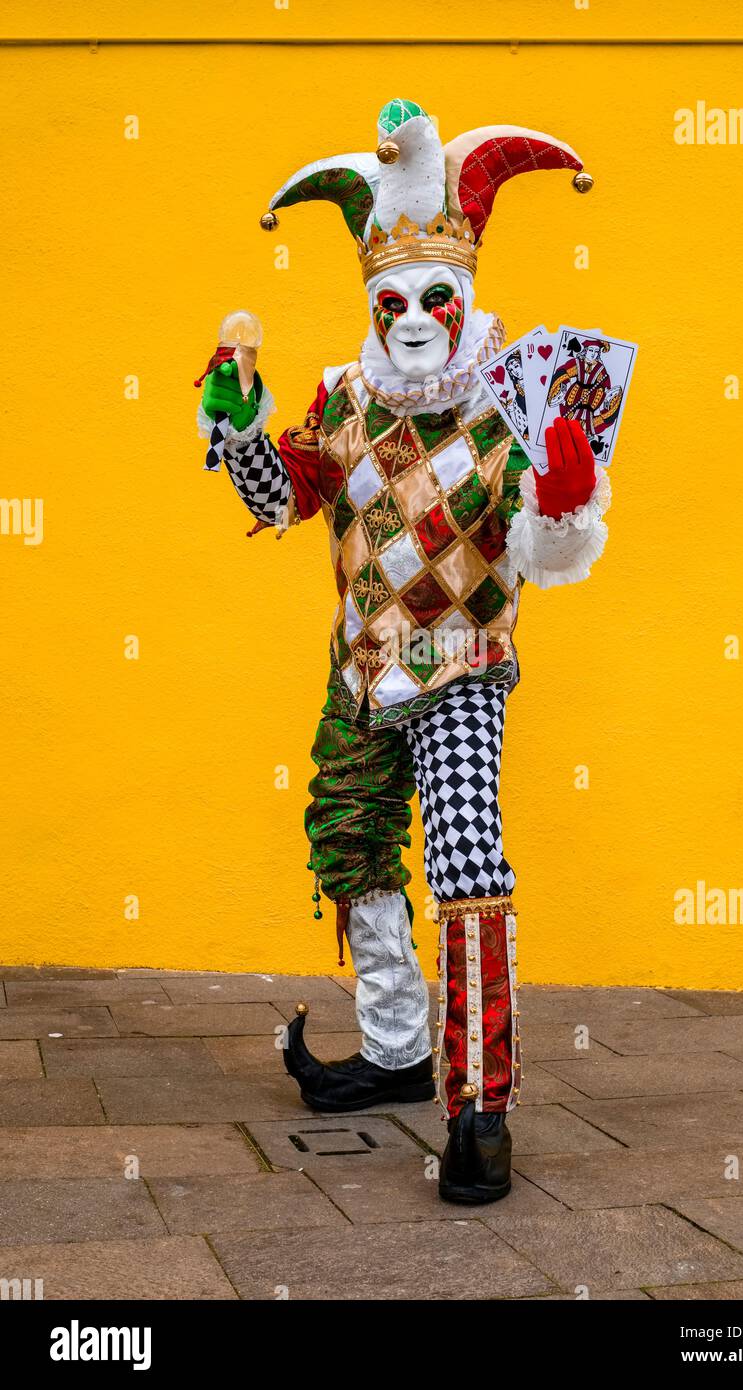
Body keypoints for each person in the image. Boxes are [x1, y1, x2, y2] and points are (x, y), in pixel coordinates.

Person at [197, 98, 611, 1204]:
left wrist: (567, 499)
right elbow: (285, 494)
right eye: (394, 298)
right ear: (369, 300)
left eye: (435, 295)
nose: (416, 314)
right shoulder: (343, 396)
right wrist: (240, 421)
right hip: (359, 667)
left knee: (467, 856)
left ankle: (479, 1106)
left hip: (462, 662)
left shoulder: (509, 401)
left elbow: (542, 542)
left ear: (463, 293)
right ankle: (394, 1048)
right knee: (348, 836)